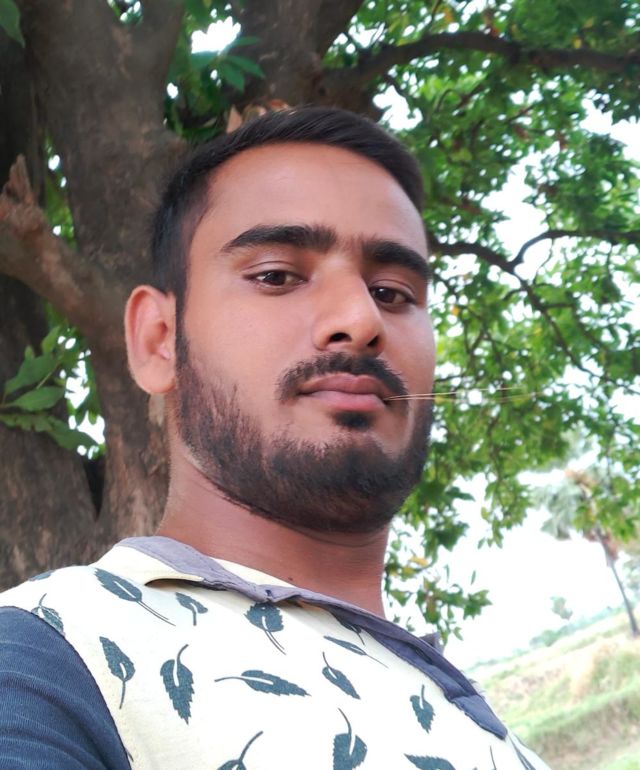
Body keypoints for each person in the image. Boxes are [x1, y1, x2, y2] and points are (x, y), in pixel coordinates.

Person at [0, 107, 549, 769]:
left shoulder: (443, 692)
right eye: (277, 276)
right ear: (159, 340)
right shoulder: (45, 661)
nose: (360, 319)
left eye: (393, 291)